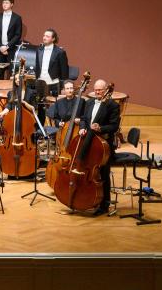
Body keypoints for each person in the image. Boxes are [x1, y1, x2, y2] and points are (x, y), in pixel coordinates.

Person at [77, 79, 120, 215]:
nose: (97, 92)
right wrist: (82, 128)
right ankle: (85, 199)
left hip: (103, 145)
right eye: (95, 89)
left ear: (105, 90)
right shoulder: (89, 102)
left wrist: (100, 128)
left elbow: (114, 126)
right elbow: (84, 119)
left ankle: (104, 205)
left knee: (103, 175)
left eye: (100, 90)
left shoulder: (112, 105)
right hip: (88, 141)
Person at [0, 0, 22, 67]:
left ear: (12, 4)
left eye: (7, 3)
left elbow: (17, 35)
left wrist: (7, 46)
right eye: (3, 3)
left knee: (11, 72)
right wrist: (0, 47)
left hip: (11, 49)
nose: (4, 4)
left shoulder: (17, 18)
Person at [36, 29, 69, 94]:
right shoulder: (39, 50)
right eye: (44, 36)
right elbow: (37, 66)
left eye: (47, 36)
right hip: (40, 82)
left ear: (53, 39)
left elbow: (64, 71)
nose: (44, 38)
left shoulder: (60, 52)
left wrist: (63, 87)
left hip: (53, 83)